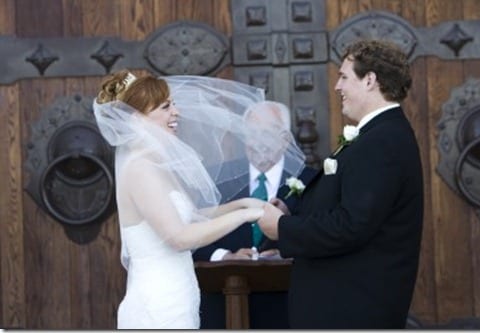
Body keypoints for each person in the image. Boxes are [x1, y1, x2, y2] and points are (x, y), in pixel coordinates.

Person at [93, 71, 306, 329]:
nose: (176, 112)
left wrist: (244, 203)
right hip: (158, 301)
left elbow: (193, 216)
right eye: (166, 106)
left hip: (179, 294)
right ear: (139, 118)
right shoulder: (140, 169)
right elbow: (179, 237)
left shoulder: (155, 164)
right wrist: (245, 215)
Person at [257, 39, 424, 329]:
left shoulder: (382, 141)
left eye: (345, 77)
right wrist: (290, 208)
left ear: (370, 80)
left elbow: (352, 225)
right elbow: (348, 204)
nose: (337, 87)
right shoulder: (376, 134)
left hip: (352, 308)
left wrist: (282, 228)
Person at [192, 101, 316, 329]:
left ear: (285, 139)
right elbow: (190, 233)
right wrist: (224, 256)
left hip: (287, 308)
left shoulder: (311, 180)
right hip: (225, 308)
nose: (258, 142)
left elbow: (320, 236)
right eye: (251, 134)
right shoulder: (218, 179)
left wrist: (285, 250)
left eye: (266, 134)